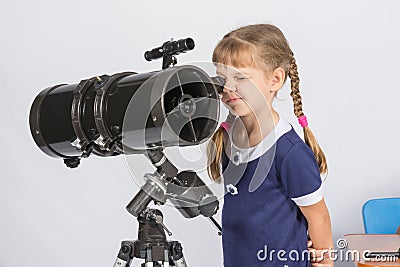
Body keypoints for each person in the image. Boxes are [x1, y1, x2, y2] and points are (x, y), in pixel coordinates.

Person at [206, 23, 334, 267]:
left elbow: (319, 217)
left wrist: (325, 260)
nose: (228, 88)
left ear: (275, 79)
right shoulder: (228, 138)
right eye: (222, 78)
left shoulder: (288, 153)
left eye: (241, 77)